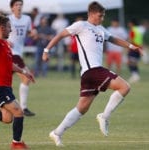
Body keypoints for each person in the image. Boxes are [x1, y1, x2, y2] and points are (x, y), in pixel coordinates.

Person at [42, 1, 142, 146]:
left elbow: (113, 39)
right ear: (91, 14)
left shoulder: (100, 28)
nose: (101, 19)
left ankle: (57, 133)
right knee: (124, 87)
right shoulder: (81, 25)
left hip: (89, 74)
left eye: (103, 16)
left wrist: (130, 45)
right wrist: (46, 50)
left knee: (81, 108)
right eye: (99, 16)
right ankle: (104, 116)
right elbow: (61, 35)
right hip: (93, 70)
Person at [0, 15, 35, 149]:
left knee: (7, 118)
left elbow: (10, 64)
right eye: (9, 27)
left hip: (6, 87)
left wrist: (25, 72)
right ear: (1, 28)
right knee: (18, 112)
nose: (11, 30)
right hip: (0, 87)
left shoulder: (5, 44)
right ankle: (16, 144)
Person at [7, 0, 35, 116]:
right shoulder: (8, 19)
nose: (19, 7)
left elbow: (29, 32)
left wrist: (33, 33)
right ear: (12, 8)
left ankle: (16, 105)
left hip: (18, 52)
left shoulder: (27, 19)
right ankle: (23, 107)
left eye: (20, 5)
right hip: (11, 53)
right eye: (16, 5)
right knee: (26, 77)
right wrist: (6, 40)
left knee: (5, 81)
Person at [127, 18, 143, 83]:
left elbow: (131, 40)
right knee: (134, 62)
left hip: (134, 48)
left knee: (130, 62)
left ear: (132, 23)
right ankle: (136, 76)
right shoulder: (139, 30)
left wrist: (128, 48)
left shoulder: (132, 30)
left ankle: (135, 76)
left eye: (129, 23)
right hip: (139, 48)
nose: (128, 24)